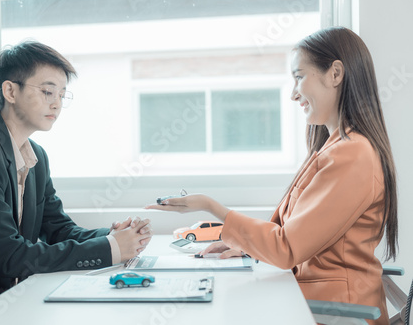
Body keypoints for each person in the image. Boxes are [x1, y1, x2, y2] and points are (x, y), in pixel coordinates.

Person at [145, 26, 397, 325]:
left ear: (335, 74)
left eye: (299, 77)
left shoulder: (352, 154)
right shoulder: (335, 149)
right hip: (318, 303)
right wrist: (244, 245)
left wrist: (212, 207)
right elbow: (291, 237)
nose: (293, 94)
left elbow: (286, 248)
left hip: (337, 313)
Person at [0, 41, 152, 322]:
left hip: (3, 296)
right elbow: (11, 257)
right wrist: (111, 249)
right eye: (48, 91)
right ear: (10, 91)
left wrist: (111, 237)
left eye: (62, 95)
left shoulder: (34, 155)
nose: (57, 103)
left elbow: (58, 229)